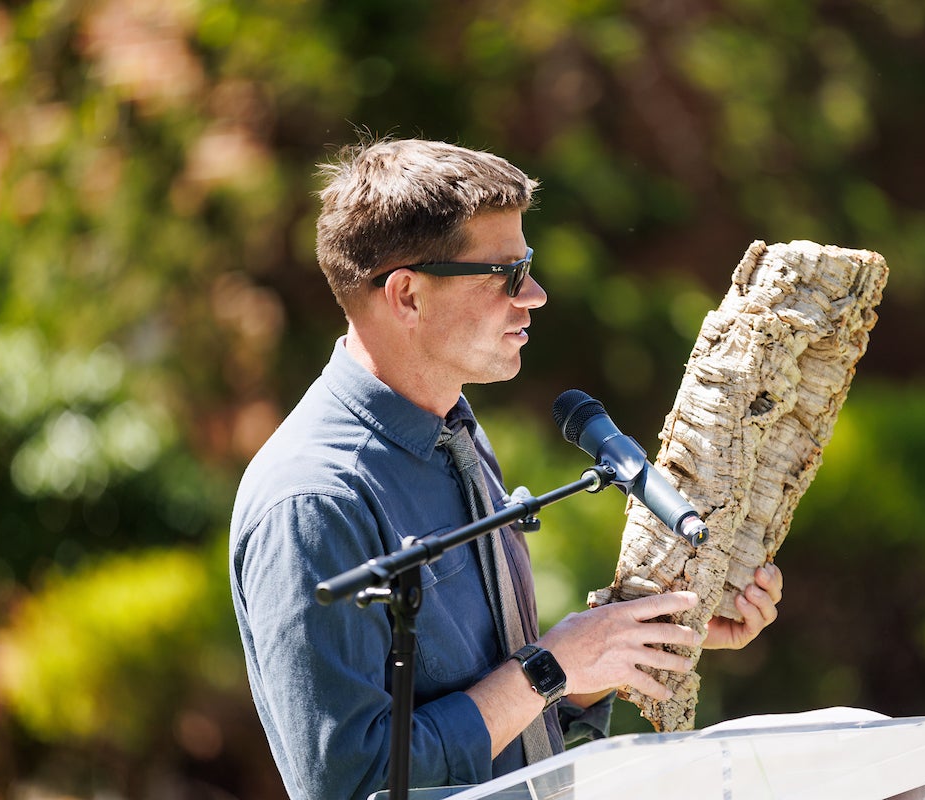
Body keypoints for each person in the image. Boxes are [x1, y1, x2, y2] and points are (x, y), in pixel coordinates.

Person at [229, 137, 784, 800]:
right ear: (407, 296)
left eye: (529, 266)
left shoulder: (454, 432)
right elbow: (353, 785)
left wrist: (644, 636)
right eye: (504, 274)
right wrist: (550, 666)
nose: (536, 295)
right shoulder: (313, 500)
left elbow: (504, 715)